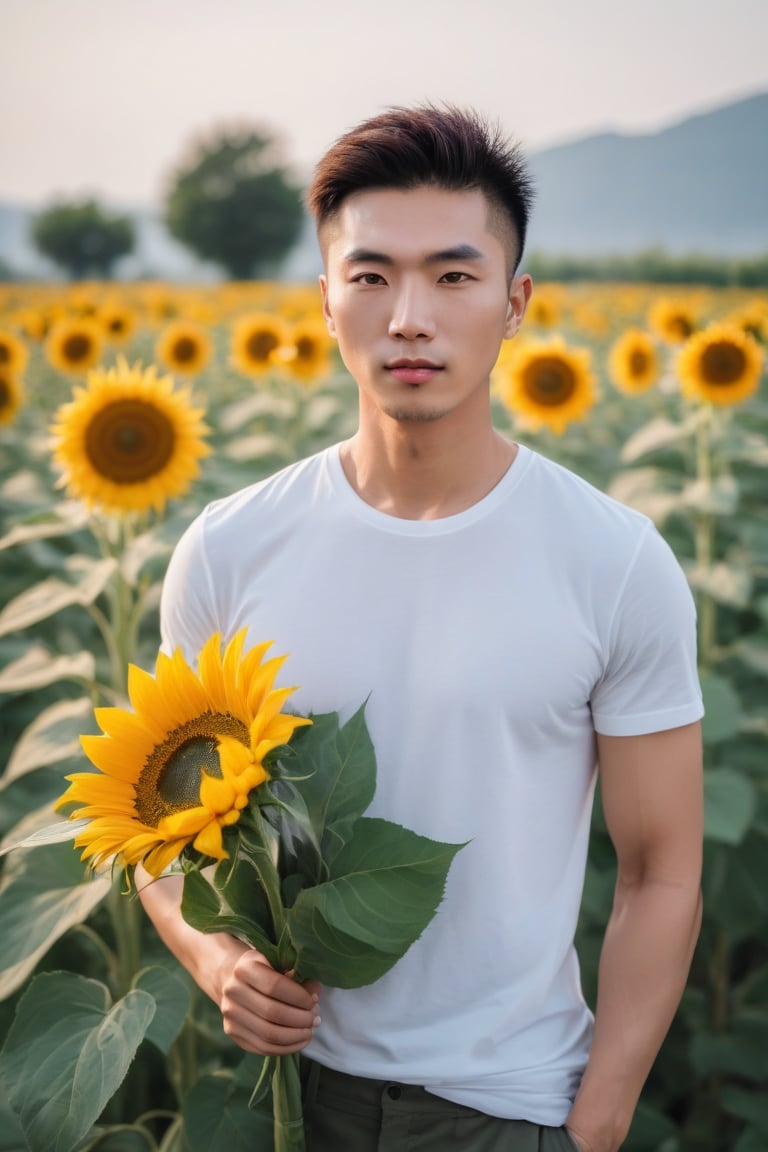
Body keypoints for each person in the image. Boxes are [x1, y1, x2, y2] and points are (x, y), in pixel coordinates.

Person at [138, 105, 704, 1152]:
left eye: (453, 276)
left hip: (511, 1107)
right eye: (370, 276)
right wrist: (216, 962)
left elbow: (662, 868)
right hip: (285, 1103)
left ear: (514, 301)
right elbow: (154, 823)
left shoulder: (613, 560)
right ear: (324, 302)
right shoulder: (229, 550)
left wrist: (599, 1122)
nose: (409, 317)